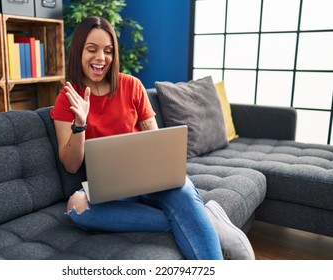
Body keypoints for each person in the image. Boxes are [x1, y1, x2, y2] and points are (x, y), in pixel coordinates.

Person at [50, 16, 254, 260]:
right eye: (92, 50)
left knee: (184, 193)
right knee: (77, 208)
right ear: (78, 52)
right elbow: (71, 165)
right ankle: (203, 217)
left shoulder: (132, 86)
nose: (101, 58)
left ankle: (195, 221)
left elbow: (157, 144)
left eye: (108, 51)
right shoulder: (67, 98)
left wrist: (159, 170)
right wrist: (80, 124)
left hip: (151, 180)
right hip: (111, 190)